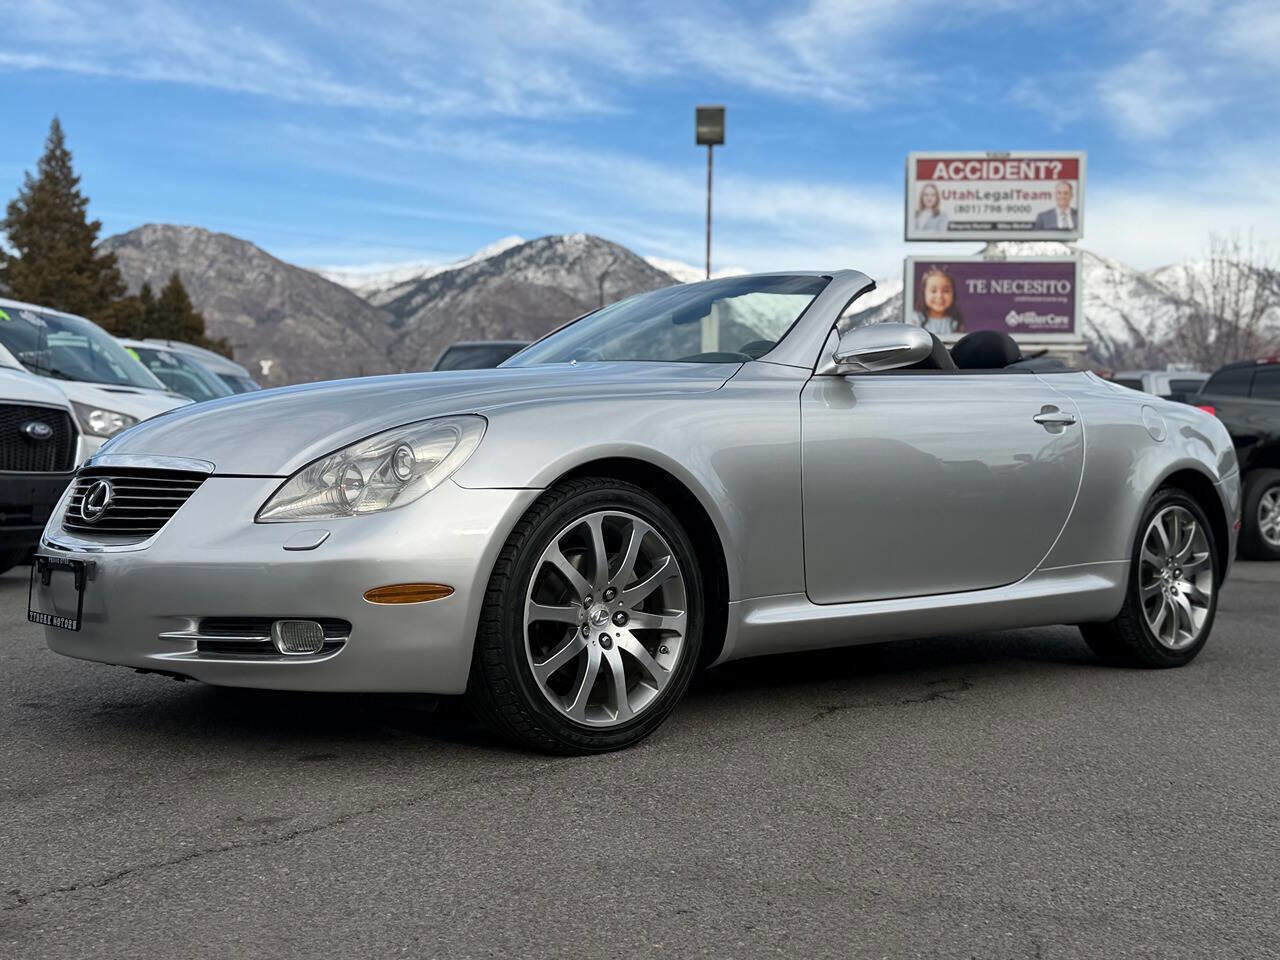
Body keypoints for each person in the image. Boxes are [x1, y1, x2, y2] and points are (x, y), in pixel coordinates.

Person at [913, 266, 964, 334]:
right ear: (924, 293)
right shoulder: (916, 319)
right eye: (933, 291)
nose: (939, 296)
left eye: (946, 291)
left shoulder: (955, 322)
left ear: (953, 294)